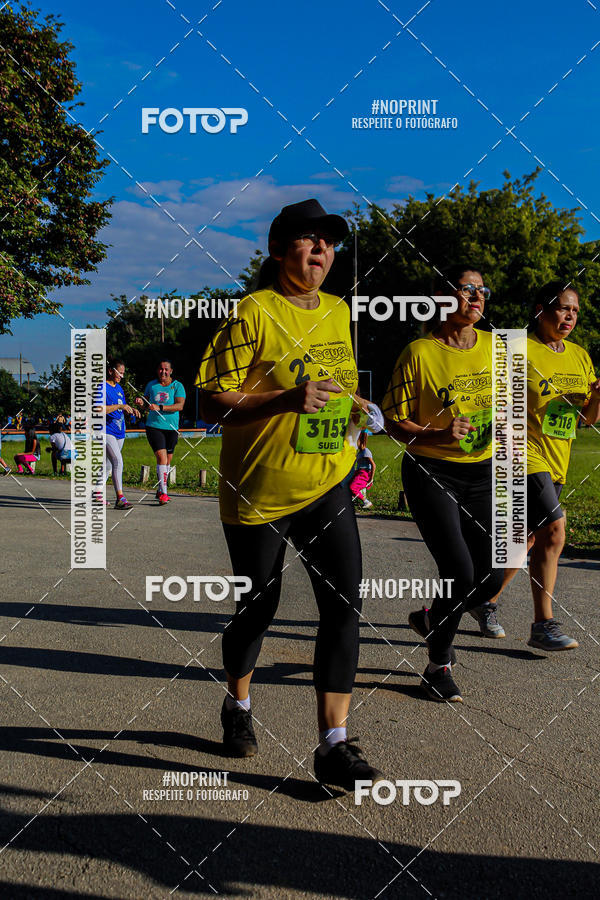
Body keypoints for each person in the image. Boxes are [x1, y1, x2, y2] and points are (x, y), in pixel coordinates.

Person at [196, 198, 383, 791]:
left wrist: (359, 415)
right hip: (258, 492)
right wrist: (282, 399)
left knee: (343, 605)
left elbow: (335, 386)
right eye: (306, 239)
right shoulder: (253, 311)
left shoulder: (337, 311)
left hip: (326, 481)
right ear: (279, 251)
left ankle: (333, 744)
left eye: (328, 241)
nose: (321, 249)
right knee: (258, 610)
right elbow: (209, 402)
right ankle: (238, 704)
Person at [382, 264, 505, 703]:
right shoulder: (419, 352)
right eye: (465, 289)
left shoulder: (497, 347)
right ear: (440, 297)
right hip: (433, 470)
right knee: (459, 570)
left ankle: (434, 617)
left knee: (494, 571)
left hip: (487, 470)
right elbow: (393, 423)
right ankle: (438, 666)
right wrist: (437, 433)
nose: (475, 298)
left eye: (481, 291)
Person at [490, 281, 600, 649]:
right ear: (540, 309)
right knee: (554, 528)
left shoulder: (580, 355)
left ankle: (476, 602)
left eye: (575, 311)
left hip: (557, 459)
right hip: (520, 452)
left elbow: (586, 420)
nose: (570, 316)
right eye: (563, 308)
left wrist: (597, 397)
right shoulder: (516, 346)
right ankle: (543, 625)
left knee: (528, 540)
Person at [135, 360, 186, 505]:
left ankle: (160, 488)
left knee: (168, 461)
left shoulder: (177, 386)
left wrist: (161, 407)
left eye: (166, 369)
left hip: (171, 428)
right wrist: (141, 404)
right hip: (154, 426)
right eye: (160, 369)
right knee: (162, 459)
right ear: (157, 371)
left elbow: (180, 406)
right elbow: (147, 406)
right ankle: (164, 493)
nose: (163, 372)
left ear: (171, 371)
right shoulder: (151, 385)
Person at [95, 359, 139, 509]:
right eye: (119, 372)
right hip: (105, 430)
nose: (121, 375)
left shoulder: (119, 388)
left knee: (109, 464)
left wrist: (131, 409)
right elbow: (99, 409)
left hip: (119, 431)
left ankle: (97, 493)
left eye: (123, 373)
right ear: (110, 371)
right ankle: (120, 498)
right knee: (118, 462)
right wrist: (120, 405)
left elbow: (120, 408)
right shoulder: (102, 387)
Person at [349, 430, 375, 509]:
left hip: (364, 473)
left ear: (361, 441)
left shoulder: (366, 451)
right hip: (358, 472)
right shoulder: (360, 452)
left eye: (356, 441)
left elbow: (373, 465)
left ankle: (366, 502)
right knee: (347, 484)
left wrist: (371, 479)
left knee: (352, 487)